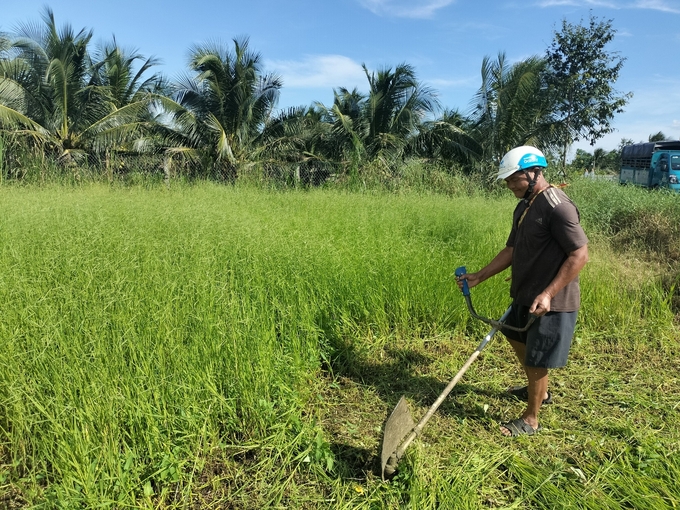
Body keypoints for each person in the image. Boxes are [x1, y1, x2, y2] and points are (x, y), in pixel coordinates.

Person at [457, 146, 588, 437]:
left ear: (534, 173)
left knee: (537, 358)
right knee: (514, 335)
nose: (509, 185)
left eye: (514, 178)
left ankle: (531, 419)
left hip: (551, 299)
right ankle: (539, 391)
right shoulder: (525, 205)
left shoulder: (558, 206)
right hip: (526, 293)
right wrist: (480, 275)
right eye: (507, 180)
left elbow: (579, 255)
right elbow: (512, 249)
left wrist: (549, 293)